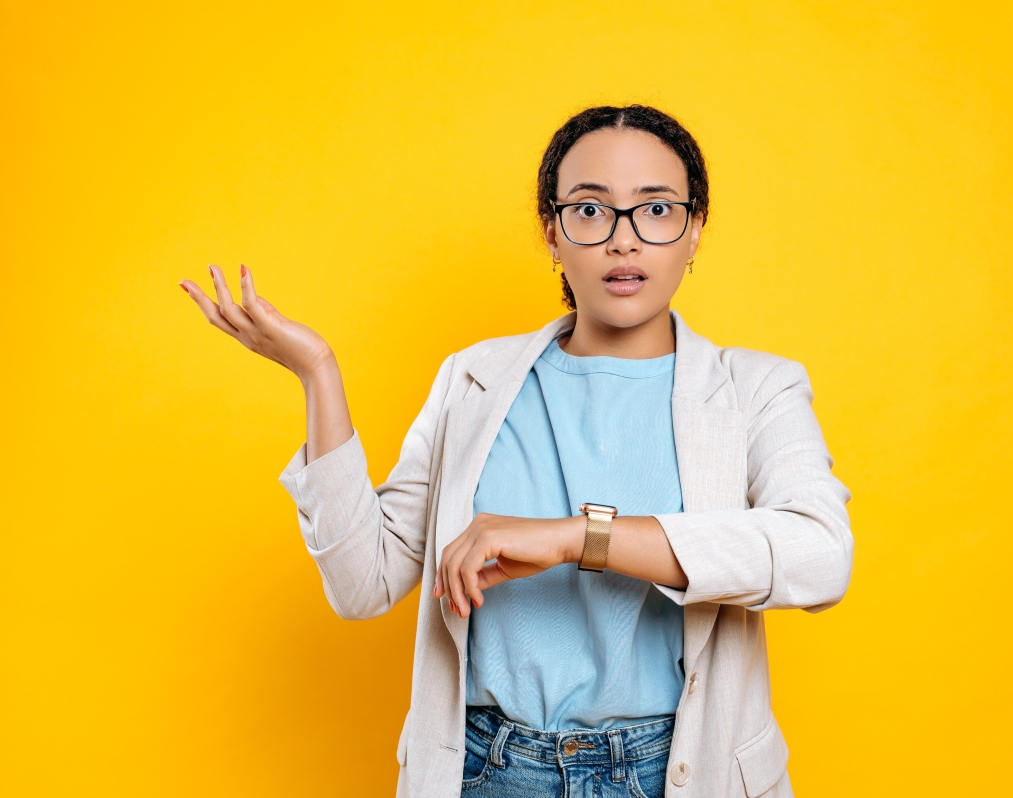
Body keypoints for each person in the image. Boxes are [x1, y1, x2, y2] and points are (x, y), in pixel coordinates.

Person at [180, 105, 853, 798]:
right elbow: (363, 582)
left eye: (656, 210)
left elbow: (821, 555)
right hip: (488, 771)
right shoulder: (473, 380)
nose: (624, 241)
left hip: (675, 769)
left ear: (694, 231)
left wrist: (574, 539)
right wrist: (318, 373)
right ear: (552, 233)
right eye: (591, 211)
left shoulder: (757, 389)